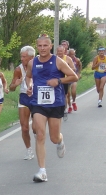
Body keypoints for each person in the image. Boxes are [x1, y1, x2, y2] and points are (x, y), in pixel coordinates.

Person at [25, 34, 78, 182]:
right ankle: (42, 171)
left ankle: (60, 140)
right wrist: (29, 86)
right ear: (37, 47)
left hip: (56, 103)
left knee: (53, 138)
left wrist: (58, 80)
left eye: (45, 46)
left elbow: (74, 76)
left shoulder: (58, 61)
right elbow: (28, 77)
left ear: (50, 46)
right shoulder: (32, 62)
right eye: (40, 46)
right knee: (40, 134)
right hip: (38, 103)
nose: (42, 48)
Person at [9, 45, 36, 160]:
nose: (21, 59)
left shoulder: (39, 65)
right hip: (24, 97)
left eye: (24, 56)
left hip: (37, 97)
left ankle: (39, 143)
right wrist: (16, 84)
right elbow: (11, 88)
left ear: (31, 57)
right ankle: (29, 150)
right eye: (21, 56)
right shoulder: (18, 69)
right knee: (24, 127)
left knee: (36, 127)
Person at [56, 45, 76, 115]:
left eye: (61, 51)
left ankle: (64, 109)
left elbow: (73, 69)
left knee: (64, 95)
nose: (59, 53)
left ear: (64, 51)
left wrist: (66, 70)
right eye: (58, 51)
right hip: (55, 80)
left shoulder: (68, 59)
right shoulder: (54, 58)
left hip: (65, 80)